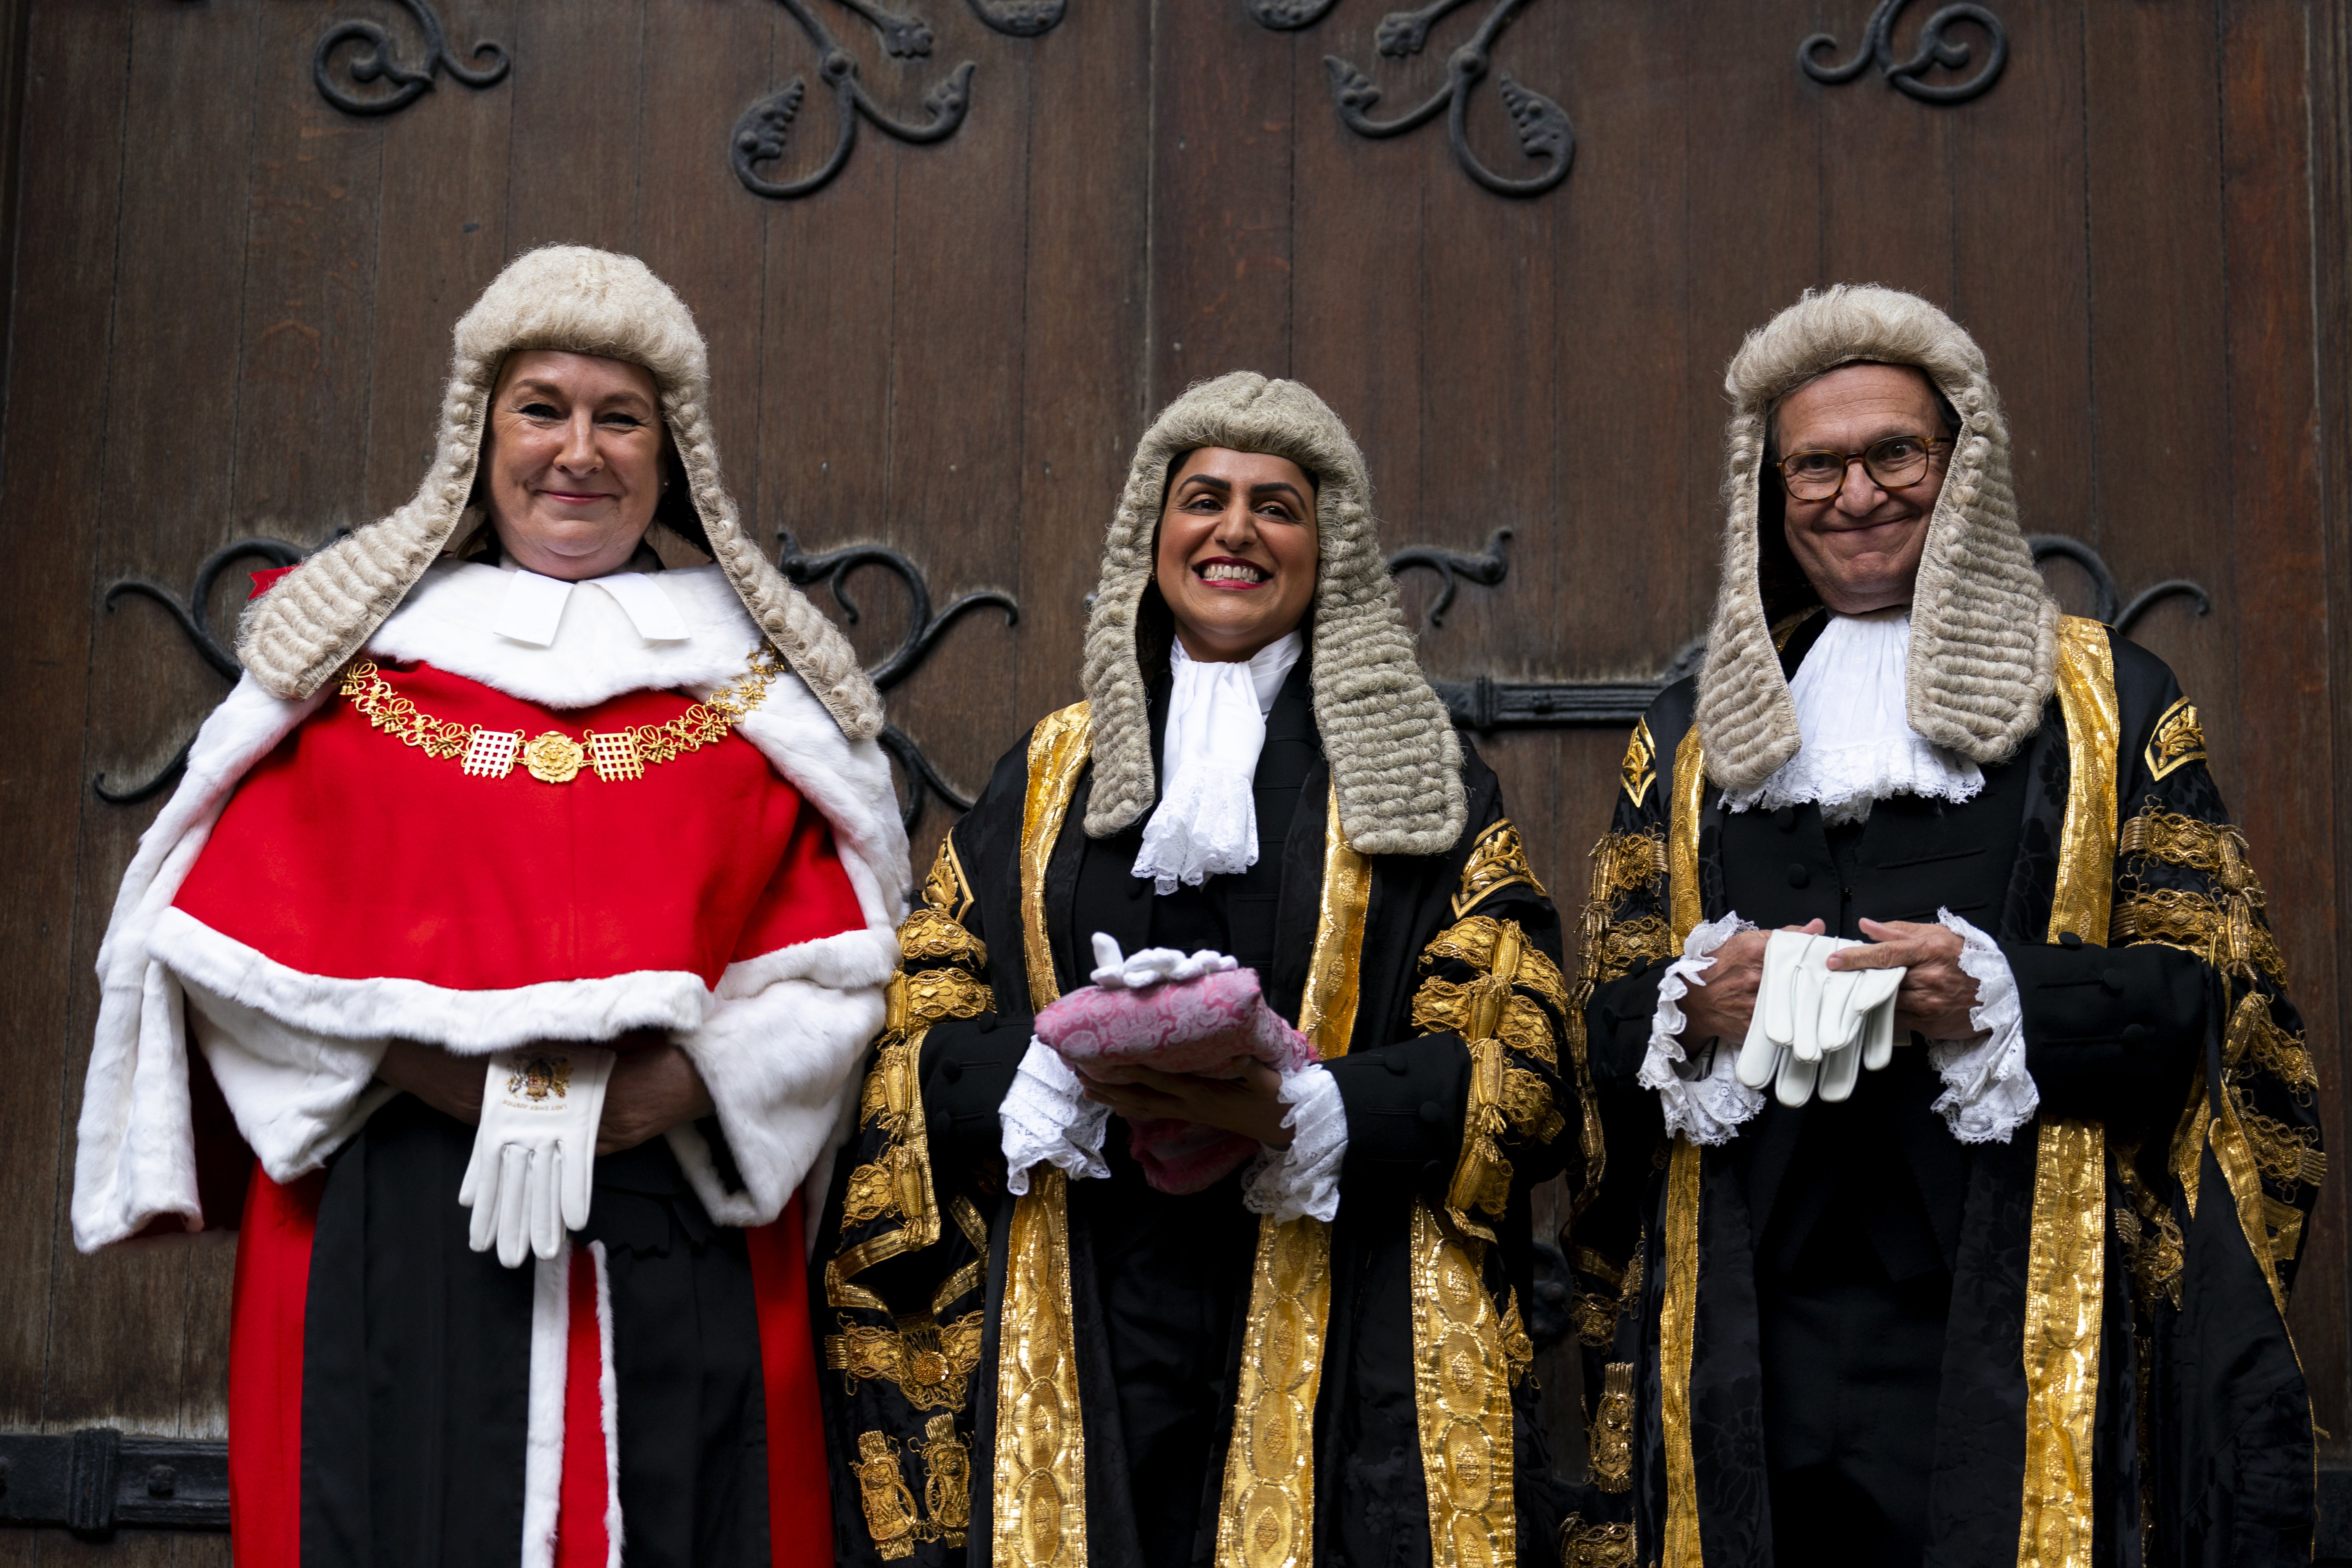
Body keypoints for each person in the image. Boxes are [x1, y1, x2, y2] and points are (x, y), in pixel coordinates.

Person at [71, 246, 911, 1566]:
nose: (578, 451)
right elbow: (213, 948)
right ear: (480, 434)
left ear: (669, 451)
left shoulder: (757, 693)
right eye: (543, 407)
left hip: (671, 1218)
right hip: (398, 1211)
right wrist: (441, 1073)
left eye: (619, 416)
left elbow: (847, 967)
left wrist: (671, 1094)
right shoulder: (351, 671)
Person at [1559, 285, 2321, 1567]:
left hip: (2008, 1308)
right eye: (1817, 463)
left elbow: (2215, 1005)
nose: (1856, 494)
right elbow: (1604, 1025)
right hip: (1751, 1321)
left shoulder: (2112, 702)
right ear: (1770, 486)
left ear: (1961, 468)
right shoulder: (1689, 734)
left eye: (1894, 454)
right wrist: (1698, 1005)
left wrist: (2003, 995)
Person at [811, 372, 1580, 1565]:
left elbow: (1521, 1038)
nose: (1234, 530)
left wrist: (1324, 1106)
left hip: (1336, 1292)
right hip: (1082, 1292)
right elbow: (926, 998)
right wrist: (1038, 1074)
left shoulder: (1420, 774)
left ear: (1331, 549)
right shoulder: (1050, 771)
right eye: (1204, 498)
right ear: (1152, 536)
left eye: (1278, 505)